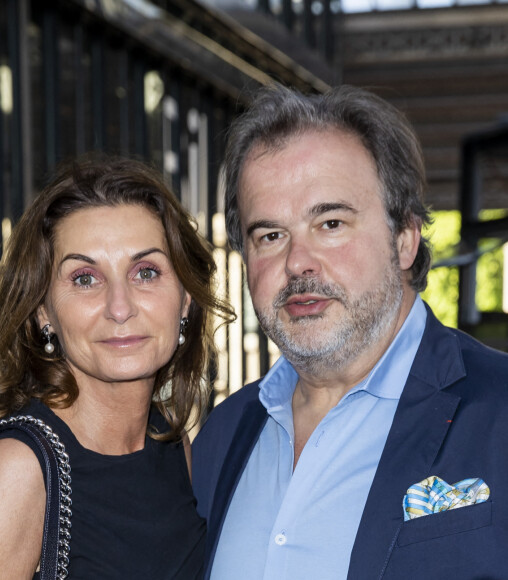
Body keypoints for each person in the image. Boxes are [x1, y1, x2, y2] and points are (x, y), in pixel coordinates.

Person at [191, 83, 508, 580]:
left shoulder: (500, 411)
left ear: (404, 239)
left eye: (331, 223)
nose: (298, 262)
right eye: (270, 235)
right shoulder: (221, 439)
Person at [0, 157, 234, 579]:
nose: (119, 307)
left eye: (146, 272)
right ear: (43, 313)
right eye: (84, 279)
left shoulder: (168, 440)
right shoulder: (16, 470)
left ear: (185, 298)